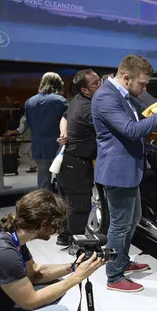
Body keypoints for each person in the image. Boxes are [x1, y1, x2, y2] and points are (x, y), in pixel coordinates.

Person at [91, 54, 157, 293]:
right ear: (126, 77)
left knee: (132, 220)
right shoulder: (106, 97)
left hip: (128, 170)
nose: (143, 88)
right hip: (117, 172)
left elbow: (132, 125)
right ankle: (114, 276)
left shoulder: (122, 95)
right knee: (119, 225)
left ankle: (122, 261)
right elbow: (131, 130)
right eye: (141, 84)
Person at [58, 69, 102, 244]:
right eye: (96, 83)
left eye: (100, 80)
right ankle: (77, 245)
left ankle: (65, 237)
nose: (101, 85)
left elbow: (64, 117)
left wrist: (64, 133)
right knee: (79, 207)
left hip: (71, 161)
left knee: (72, 204)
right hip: (77, 163)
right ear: (85, 90)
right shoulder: (87, 109)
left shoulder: (77, 100)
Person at [25, 72, 69, 190]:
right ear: (58, 84)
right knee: (62, 181)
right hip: (59, 146)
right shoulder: (61, 101)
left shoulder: (30, 102)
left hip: (38, 146)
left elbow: (29, 124)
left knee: (43, 181)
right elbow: (68, 123)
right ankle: (62, 206)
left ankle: (43, 206)